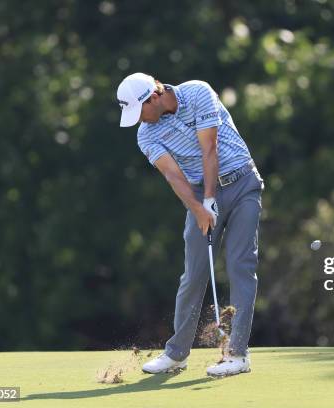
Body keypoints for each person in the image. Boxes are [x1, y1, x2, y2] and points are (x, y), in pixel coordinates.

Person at [116, 72, 263, 376]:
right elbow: (173, 176)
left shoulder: (197, 92)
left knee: (240, 266)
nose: (138, 119)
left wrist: (210, 198)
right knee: (193, 275)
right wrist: (198, 208)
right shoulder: (146, 133)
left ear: (153, 97)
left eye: (139, 110)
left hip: (242, 184)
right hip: (197, 192)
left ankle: (237, 355)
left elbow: (209, 148)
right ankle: (176, 354)